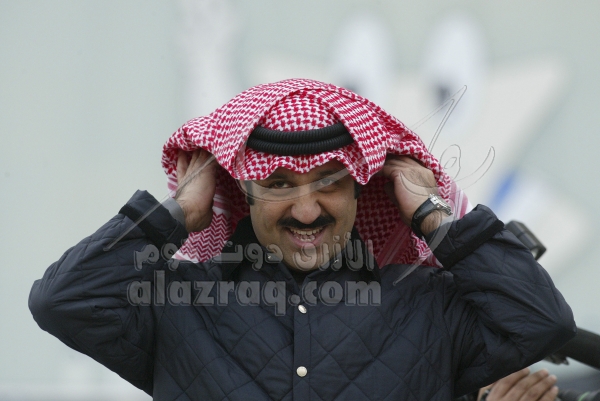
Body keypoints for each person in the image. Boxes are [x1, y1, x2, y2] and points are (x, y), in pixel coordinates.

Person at [29, 79, 575, 400]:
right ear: (241, 190)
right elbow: (62, 302)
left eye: (330, 182)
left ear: (363, 188)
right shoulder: (180, 304)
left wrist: (431, 215)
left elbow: (543, 323)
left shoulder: (427, 304)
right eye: (278, 185)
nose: (307, 209)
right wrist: (180, 212)